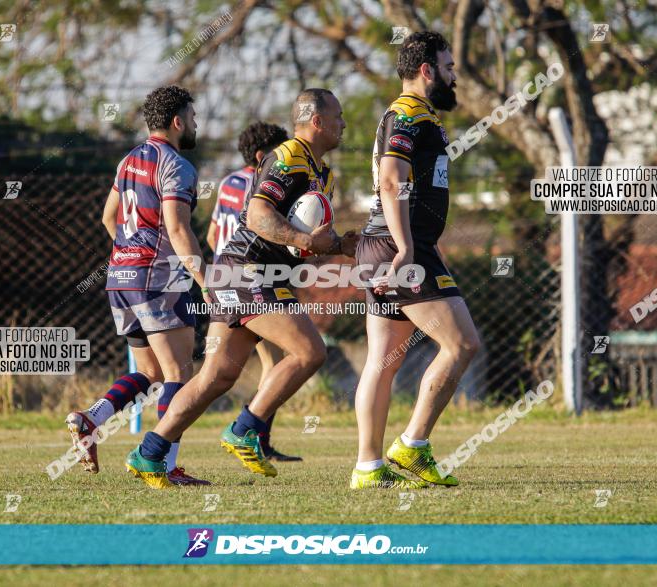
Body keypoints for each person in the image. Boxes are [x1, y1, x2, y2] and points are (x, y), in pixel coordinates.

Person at [124, 89, 357, 488]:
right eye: (338, 116)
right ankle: (244, 429)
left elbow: (306, 237)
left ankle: (149, 454)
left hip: (257, 274)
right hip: (246, 271)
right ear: (316, 121)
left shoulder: (324, 172)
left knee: (215, 377)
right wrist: (307, 244)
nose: (343, 124)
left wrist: (339, 245)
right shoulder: (288, 157)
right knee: (309, 351)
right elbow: (258, 215)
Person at [350, 31, 481, 489]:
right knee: (462, 344)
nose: (453, 77)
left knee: (383, 361)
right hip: (394, 246)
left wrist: (422, 243)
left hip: (386, 244)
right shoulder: (408, 112)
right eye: (448, 68)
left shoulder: (416, 114)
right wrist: (406, 247)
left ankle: (368, 468)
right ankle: (412, 446)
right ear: (427, 70)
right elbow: (391, 179)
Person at [65, 86, 208, 486]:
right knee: (179, 371)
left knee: (149, 371)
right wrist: (205, 281)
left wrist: (129, 252)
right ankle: (164, 464)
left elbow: (109, 218)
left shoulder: (127, 161)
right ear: (178, 122)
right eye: (193, 118)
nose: (196, 125)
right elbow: (178, 229)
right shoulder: (176, 165)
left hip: (120, 276)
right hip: (157, 277)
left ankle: (92, 418)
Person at [207, 121, 302, 462]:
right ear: (264, 156)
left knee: (214, 374)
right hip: (255, 280)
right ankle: (255, 437)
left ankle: (160, 445)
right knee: (282, 361)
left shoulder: (228, 183)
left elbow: (212, 235)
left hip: (223, 277)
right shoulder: (265, 183)